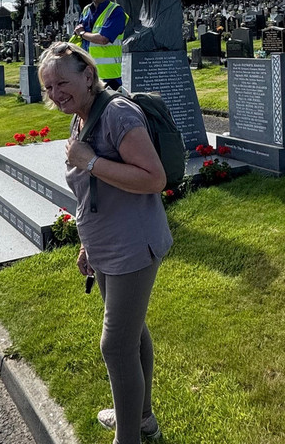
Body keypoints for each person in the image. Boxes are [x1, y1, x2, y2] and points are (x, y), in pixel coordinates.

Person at [37, 42, 172, 444]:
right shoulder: (82, 118)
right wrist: (86, 245)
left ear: (88, 75)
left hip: (133, 245)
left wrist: (90, 161)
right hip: (106, 245)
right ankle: (142, 418)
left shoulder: (116, 113)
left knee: (115, 346)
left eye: (63, 82)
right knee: (134, 336)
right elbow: (88, 193)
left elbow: (154, 179)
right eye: (48, 87)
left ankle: (127, 437)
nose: (56, 93)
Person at [73, 0, 127, 90]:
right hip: (87, 74)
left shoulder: (116, 12)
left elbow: (103, 39)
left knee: (109, 108)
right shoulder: (86, 10)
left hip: (110, 77)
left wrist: (82, 33)